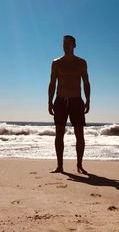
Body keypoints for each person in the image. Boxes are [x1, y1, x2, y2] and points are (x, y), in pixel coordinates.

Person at [48, 35, 91, 174]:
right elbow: (52, 83)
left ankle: (79, 165)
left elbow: (86, 82)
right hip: (60, 100)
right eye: (64, 43)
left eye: (68, 43)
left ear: (74, 45)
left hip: (76, 101)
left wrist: (88, 100)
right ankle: (60, 166)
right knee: (59, 133)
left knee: (79, 134)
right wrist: (49, 101)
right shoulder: (56, 63)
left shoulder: (81, 63)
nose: (65, 46)